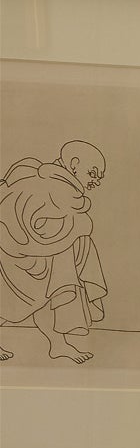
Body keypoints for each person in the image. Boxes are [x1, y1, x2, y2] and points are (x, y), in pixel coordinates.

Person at [0, 139, 108, 363]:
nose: (96, 181)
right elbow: (20, 216)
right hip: (17, 258)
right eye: (93, 172)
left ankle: (58, 345)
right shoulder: (46, 181)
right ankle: (58, 345)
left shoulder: (64, 188)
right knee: (13, 300)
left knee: (50, 298)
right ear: (75, 164)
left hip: (46, 259)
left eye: (100, 176)